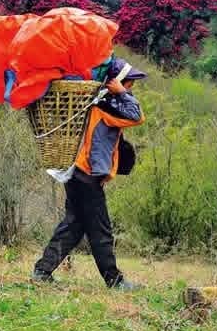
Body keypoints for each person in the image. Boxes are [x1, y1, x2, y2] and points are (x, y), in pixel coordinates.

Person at [31, 58, 146, 290]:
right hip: (87, 175)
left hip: (76, 173)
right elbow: (136, 116)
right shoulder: (105, 105)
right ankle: (114, 281)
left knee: (74, 226)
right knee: (100, 228)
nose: (131, 87)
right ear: (115, 82)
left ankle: (42, 270)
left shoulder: (93, 102)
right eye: (129, 82)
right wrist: (122, 93)